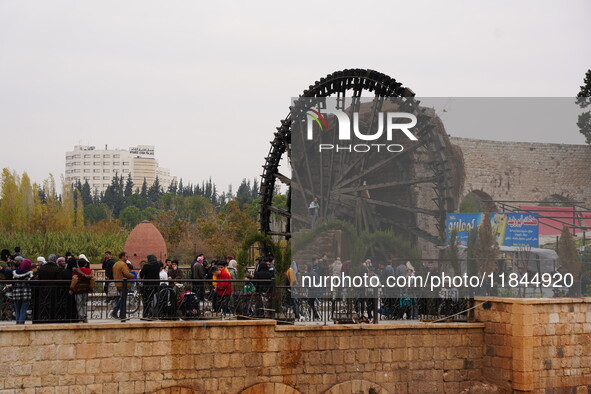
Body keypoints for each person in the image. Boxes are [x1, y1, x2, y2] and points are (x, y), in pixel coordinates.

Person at [69, 258, 94, 323]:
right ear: (85, 264)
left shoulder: (76, 271)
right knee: (84, 303)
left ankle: (80, 316)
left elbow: (74, 280)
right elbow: (92, 280)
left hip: (78, 289)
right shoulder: (90, 271)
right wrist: (91, 288)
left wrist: (71, 288)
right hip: (86, 289)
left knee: (79, 303)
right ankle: (85, 316)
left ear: (78, 264)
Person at [111, 252, 135, 319]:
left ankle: (116, 312)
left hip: (117, 283)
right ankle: (120, 314)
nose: (126, 258)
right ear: (123, 257)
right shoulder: (123, 264)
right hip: (123, 284)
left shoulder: (115, 264)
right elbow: (126, 274)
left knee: (121, 299)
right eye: (126, 256)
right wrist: (133, 276)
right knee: (123, 300)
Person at [12, 259, 33, 324]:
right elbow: (31, 282)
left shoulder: (15, 272)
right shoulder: (29, 273)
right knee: (23, 311)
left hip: (16, 294)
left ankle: (17, 325)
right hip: (25, 294)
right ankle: (21, 325)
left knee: (17, 311)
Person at [140, 254, 161, 318]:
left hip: (147, 285)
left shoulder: (146, 265)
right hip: (156, 285)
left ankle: (146, 314)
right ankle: (154, 314)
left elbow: (141, 274)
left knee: (147, 300)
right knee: (155, 299)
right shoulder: (158, 265)